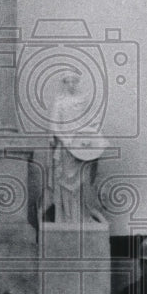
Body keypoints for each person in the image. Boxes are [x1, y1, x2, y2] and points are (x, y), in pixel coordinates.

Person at [49, 72, 108, 223]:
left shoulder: (83, 101)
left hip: (82, 148)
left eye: (74, 81)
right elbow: (54, 126)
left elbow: (91, 123)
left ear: (77, 82)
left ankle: (82, 216)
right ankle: (66, 218)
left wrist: (95, 136)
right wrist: (65, 139)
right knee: (64, 183)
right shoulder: (59, 102)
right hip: (66, 148)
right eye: (68, 81)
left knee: (83, 184)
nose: (71, 84)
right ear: (64, 83)